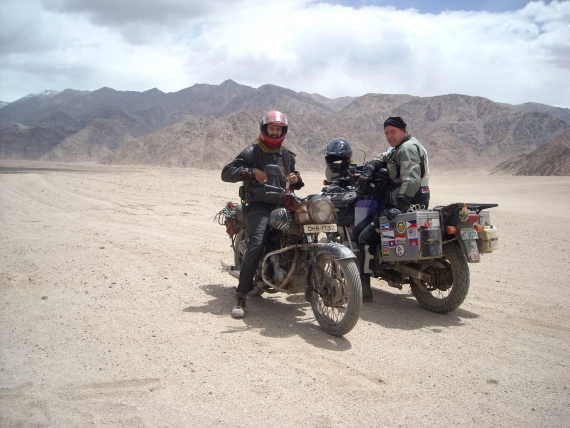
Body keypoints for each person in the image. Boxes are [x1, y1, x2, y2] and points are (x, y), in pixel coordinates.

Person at [221, 111, 304, 318]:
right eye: (272, 128)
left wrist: (296, 178)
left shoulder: (287, 155)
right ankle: (241, 296)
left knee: (304, 236)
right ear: (264, 129)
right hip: (258, 206)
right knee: (257, 243)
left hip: (283, 205)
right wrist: (251, 172)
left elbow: (296, 181)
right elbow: (227, 172)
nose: (275, 132)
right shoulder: (252, 152)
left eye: (279, 129)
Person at [357, 116, 430, 301]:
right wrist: (370, 167)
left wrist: (399, 206)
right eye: (387, 133)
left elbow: (411, 178)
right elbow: (386, 155)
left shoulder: (406, 149)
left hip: (408, 202)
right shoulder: (401, 147)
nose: (390, 136)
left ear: (403, 131)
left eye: (393, 132)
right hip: (416, 200)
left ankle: (363, 288)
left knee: (365, 237)